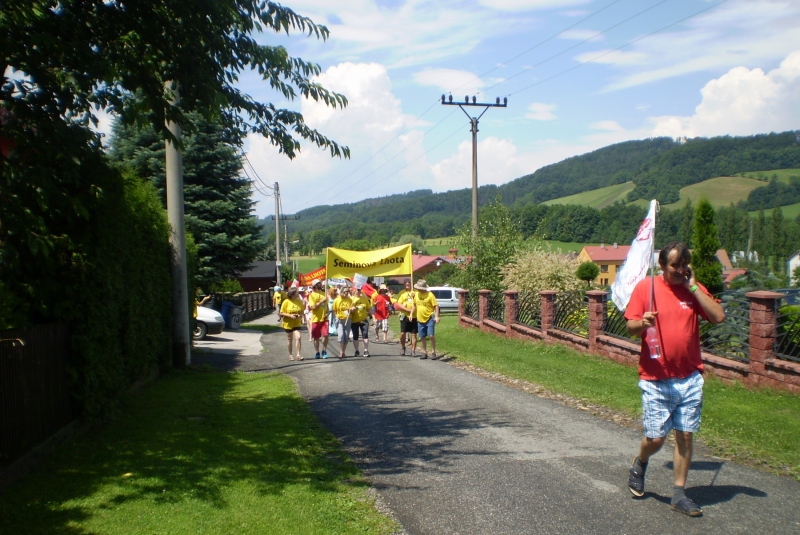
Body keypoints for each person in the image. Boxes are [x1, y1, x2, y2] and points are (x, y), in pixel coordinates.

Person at [624, 241, 725, 517]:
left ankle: (679, 495)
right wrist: (642, 323)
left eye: (684, 265)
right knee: (656, 438)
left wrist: (693, 287)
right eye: (674, 266)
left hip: (690, 376)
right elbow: (630, 327)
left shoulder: (692, 289)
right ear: (662, 266)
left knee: (685, 435)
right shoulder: (647, 288)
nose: (680, 271)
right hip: (656, 377)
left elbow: (718, 316)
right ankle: (641, 460)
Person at [412, 279, 439, 360]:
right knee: (422, 337)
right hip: (420, 318)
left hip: (429, 318)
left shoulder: (430, 295)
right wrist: (411, 314)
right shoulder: (416, 295)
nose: (418, 289)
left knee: (431, 335)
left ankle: (433, 352)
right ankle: (424, 352)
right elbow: (414, 305)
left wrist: (437, 316)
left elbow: (436, 306)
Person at [280, 286, 305, 361]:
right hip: (288, 323)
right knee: (289, 339)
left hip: (297, 322)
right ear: (293, 294)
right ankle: (290, 355)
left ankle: (298, 355)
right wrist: (290, 315)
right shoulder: (286, 302)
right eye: (297, 292)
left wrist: (299, 316)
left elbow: (302, 312)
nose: (298, 293)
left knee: (298, 337)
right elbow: (281, 313)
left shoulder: (299, 301)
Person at [394, 280, 418, 356]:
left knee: (413, 334)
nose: (407, 284)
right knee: (402, 333)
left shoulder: (416, 292)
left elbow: (418, 303)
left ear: (412, 284)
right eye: (406, 283)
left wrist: (414, 296)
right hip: (404, 315)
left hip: (414, 316)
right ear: (404, 284)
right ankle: (403, 347)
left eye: (409, 283)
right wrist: (408, 310)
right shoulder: (402, 293)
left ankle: (413, 350)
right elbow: (399, 304)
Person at [307, 279, 330, 359]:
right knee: (316, 337)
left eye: (320, 283)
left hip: (325, 319)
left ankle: (324, 350)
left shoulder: (324, 294)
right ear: (315, 286)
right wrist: (321, 301)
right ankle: (317, 352)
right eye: (318, 283)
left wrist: (327, 312)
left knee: (326, 335)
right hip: (316, 319)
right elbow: (313, 307)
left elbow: (327, 306)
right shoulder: (311, 295)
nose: (320, 284)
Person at [332, 286, 355, 358]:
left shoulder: (350, 300)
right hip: (340, 319)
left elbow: (353, 309)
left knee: (346, 337)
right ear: (341, 292)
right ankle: (341, 352)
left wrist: (352, 309)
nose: (347, 293)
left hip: (348, 319)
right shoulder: (337, 300)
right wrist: (334, 319)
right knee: (341, 336)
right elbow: (334, 310)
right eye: (345, 291)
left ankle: (344, 352)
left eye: (348, 291)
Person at [350, 286, 372, 357]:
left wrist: (373, 317)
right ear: (354, 291)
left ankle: (366, 350)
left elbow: (369, 308)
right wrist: (351, 309)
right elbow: (348, 310)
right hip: (354, 320)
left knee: (365, 334)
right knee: (355, 336)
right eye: (357, 290)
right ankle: (356, 350)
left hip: (363, 320)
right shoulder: (351, 299)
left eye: (359, 290)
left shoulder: (364, 298)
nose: (358, 291)